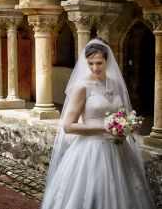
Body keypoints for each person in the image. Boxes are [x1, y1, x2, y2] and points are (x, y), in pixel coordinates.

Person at [41, 38, 156, 209]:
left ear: (108, 61)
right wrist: (105, 128)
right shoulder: (82, 87)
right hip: (89, 150)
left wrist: (126, 126)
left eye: (99, 63)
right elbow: (68, 126)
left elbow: (122, 114)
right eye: (90, 63)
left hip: (118, 149)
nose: (95, 68)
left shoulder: (116, 85)